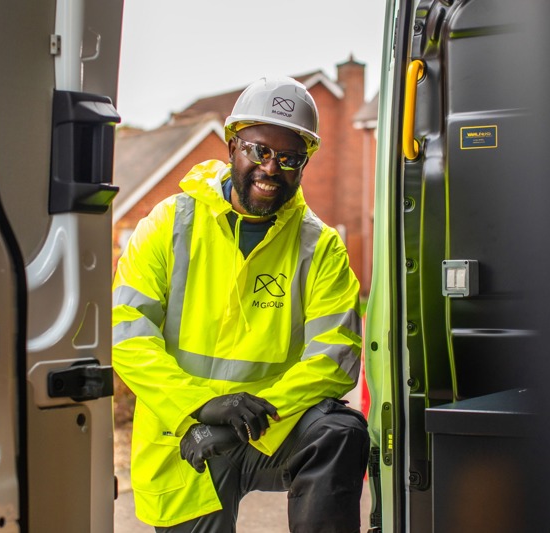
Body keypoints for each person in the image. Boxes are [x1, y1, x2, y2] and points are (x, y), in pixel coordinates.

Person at [112, 76, 369, 532]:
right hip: (187, 438)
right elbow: (127, 335)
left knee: (339, 432)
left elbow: (334, 358)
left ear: (304, 163)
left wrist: (241, 422)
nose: (271, 168)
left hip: (272, 431)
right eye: (259, 150)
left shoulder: (320, 247)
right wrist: (201, 407)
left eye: (289, 158)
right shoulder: (168, 225)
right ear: (232, 146)